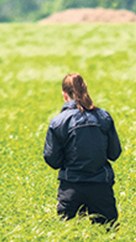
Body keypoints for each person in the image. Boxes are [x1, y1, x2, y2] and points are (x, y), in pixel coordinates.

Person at [44, 73, 122, 225]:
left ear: (64, 95)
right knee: (107, 236)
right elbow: (114, 153)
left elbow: (52, 159)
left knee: (69, 241)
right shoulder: (103, 117)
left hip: (71, 188)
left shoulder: (58, 122)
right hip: (101, 187)